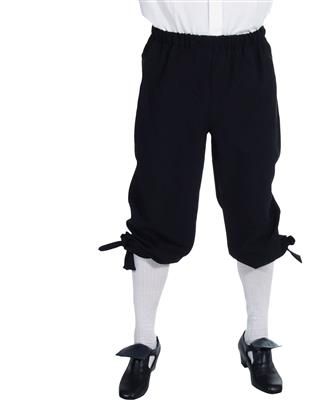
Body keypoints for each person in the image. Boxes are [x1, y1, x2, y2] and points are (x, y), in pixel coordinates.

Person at [99, 1, 301, 398]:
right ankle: (144, 340)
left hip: (246, 58)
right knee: (159, 195)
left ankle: (257, 336)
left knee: (252, 196)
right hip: (172, 58)